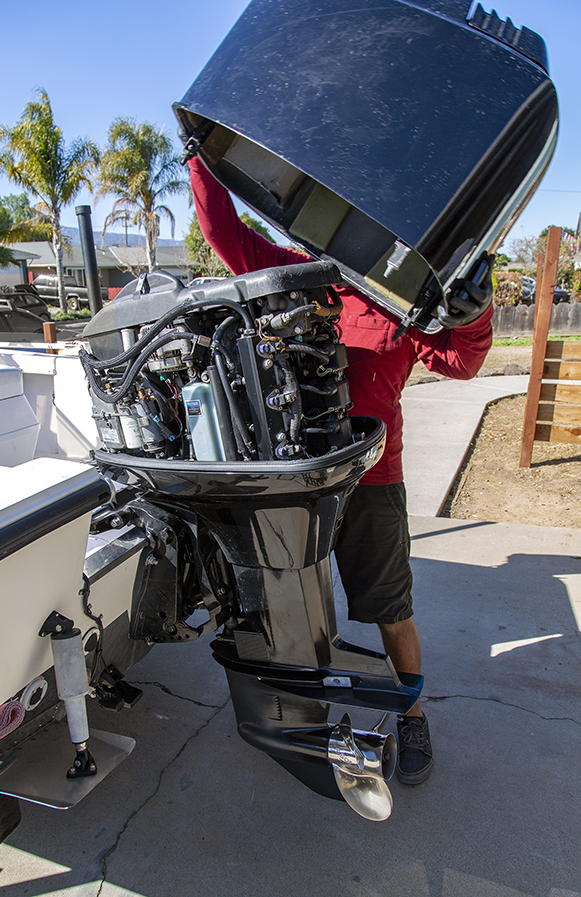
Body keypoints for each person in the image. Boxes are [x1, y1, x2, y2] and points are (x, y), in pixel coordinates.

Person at [188, 155, 494, 785]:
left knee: (390, 606)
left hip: (374, 478)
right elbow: (227, 237)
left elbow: (461, 361)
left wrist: (476, 313)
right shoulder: (301, 276)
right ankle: (295, 710)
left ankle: (411, 712)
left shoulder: (402, 304)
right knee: (283, 603)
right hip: (294, 476)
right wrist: (201, 157)